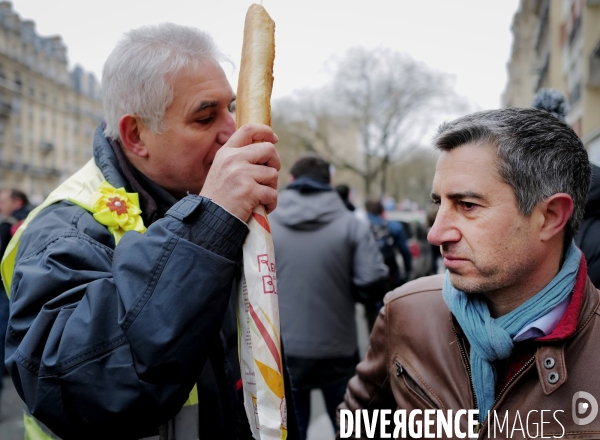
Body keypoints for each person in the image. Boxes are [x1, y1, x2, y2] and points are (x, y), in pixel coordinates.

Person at [1, 23, 297, 440]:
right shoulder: (64, 230)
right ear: (136, 135)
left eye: (230, 107)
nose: (232, 131)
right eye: (206, 116)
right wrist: (209, 220)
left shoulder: (202, 199)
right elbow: (78, 387)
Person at [339, 108, 598, 438]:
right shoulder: (405, 313)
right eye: (439, 204)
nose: (436, 234)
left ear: (549, 217)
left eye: (467, 205)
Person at [269, 155, 388, 440]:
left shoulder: (266, 223)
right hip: (338, 350)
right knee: (349, 429)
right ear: (330, 183)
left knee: (290, 431)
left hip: (283, 351)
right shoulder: (351, 224)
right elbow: (371, 283)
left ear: (291, 181)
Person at [0, 189, 32, 407]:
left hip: (6, 288)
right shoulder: (39, 216)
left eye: (3, 201)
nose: (0, 205)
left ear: (17, 201)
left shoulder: (10, 223)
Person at [364, 198, 412, 330]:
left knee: (371, 311)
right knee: (390, 307)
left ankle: (374, 340)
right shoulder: (393, 227)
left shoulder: (360, 228)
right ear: (382, 210)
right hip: (390, 274)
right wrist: (408, 271)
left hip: (369, 277)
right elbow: (405, 251)